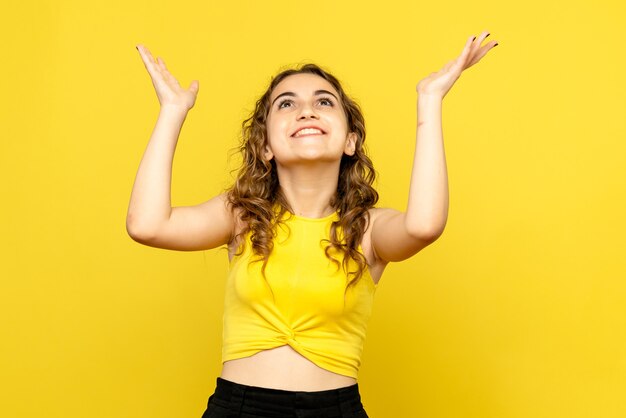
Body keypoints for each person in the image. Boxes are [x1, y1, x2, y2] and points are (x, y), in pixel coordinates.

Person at [127, 31, 498, 418]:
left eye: (324, 102)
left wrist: (430, 99)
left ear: (350, 141)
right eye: (286, 104)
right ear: (266, 145)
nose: (306, 111)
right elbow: (147, 225)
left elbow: (424, 225)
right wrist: (172, 111)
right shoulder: (243, 216)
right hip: (237, 409)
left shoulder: (367, 230)